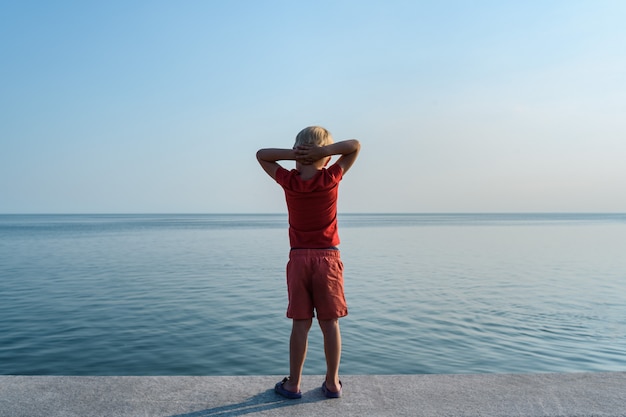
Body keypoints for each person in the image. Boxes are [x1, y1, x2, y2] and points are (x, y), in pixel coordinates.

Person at [256, 126, 360, 399]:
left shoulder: (289, 180)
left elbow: (262, 155)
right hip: (328, 257)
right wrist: (324, 151)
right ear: (325, 158)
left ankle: (293, 384)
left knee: (300, 323)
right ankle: (332, 383)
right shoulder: (331, 177)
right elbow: (355, 146)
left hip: (299, 257)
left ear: (297, 153)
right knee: (330, 323)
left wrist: (295, 155)